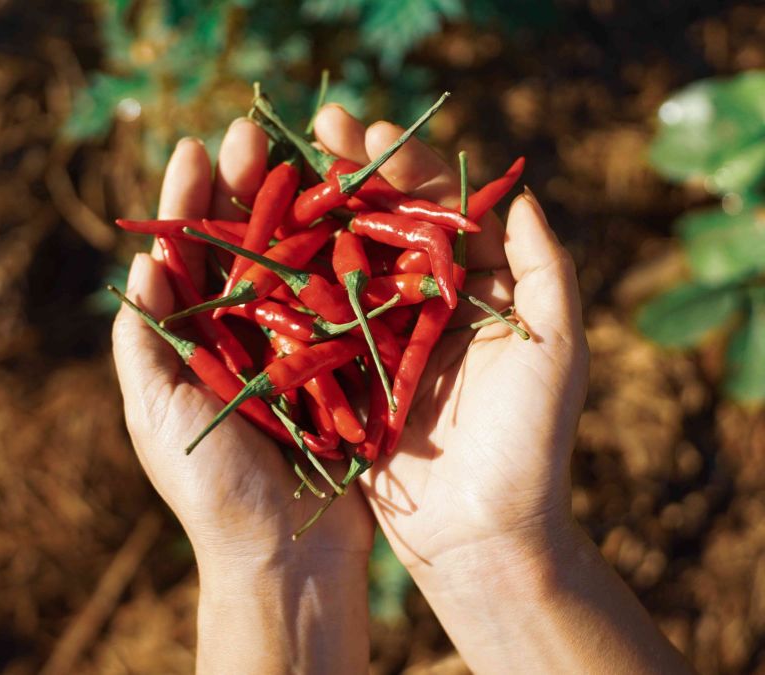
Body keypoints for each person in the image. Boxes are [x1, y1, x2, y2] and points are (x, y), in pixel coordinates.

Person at [112, 103, 693, 674]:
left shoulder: (357, 249)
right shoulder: (330, 275)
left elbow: (384, 315)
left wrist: (497, 538)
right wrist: (266, 556)